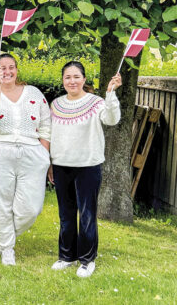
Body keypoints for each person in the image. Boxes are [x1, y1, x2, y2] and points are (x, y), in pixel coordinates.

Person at [48, 61, 122, 278]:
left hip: (88, 166)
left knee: (87, 214)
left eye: (76, 77)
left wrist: (111, 94)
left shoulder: (96, 103)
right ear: (63, 81)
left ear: (84, 79)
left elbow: (112, 119)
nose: (72, 81)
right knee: (66, 214)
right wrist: (50, 164)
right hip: (61, 166)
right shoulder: (56, 105)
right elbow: (51, 136)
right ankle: (66, 256)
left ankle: (87, 260)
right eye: (67, 77)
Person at [0, 53, 51, 266]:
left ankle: (4, 239)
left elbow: (45, 125)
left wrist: (44, 155)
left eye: (11, 67)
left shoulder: (34, 93)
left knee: (30, 209)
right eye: (2, 68)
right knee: (0, 204)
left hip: (31, 152)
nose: (7, 71)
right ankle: (7, 248)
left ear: (17, 69)